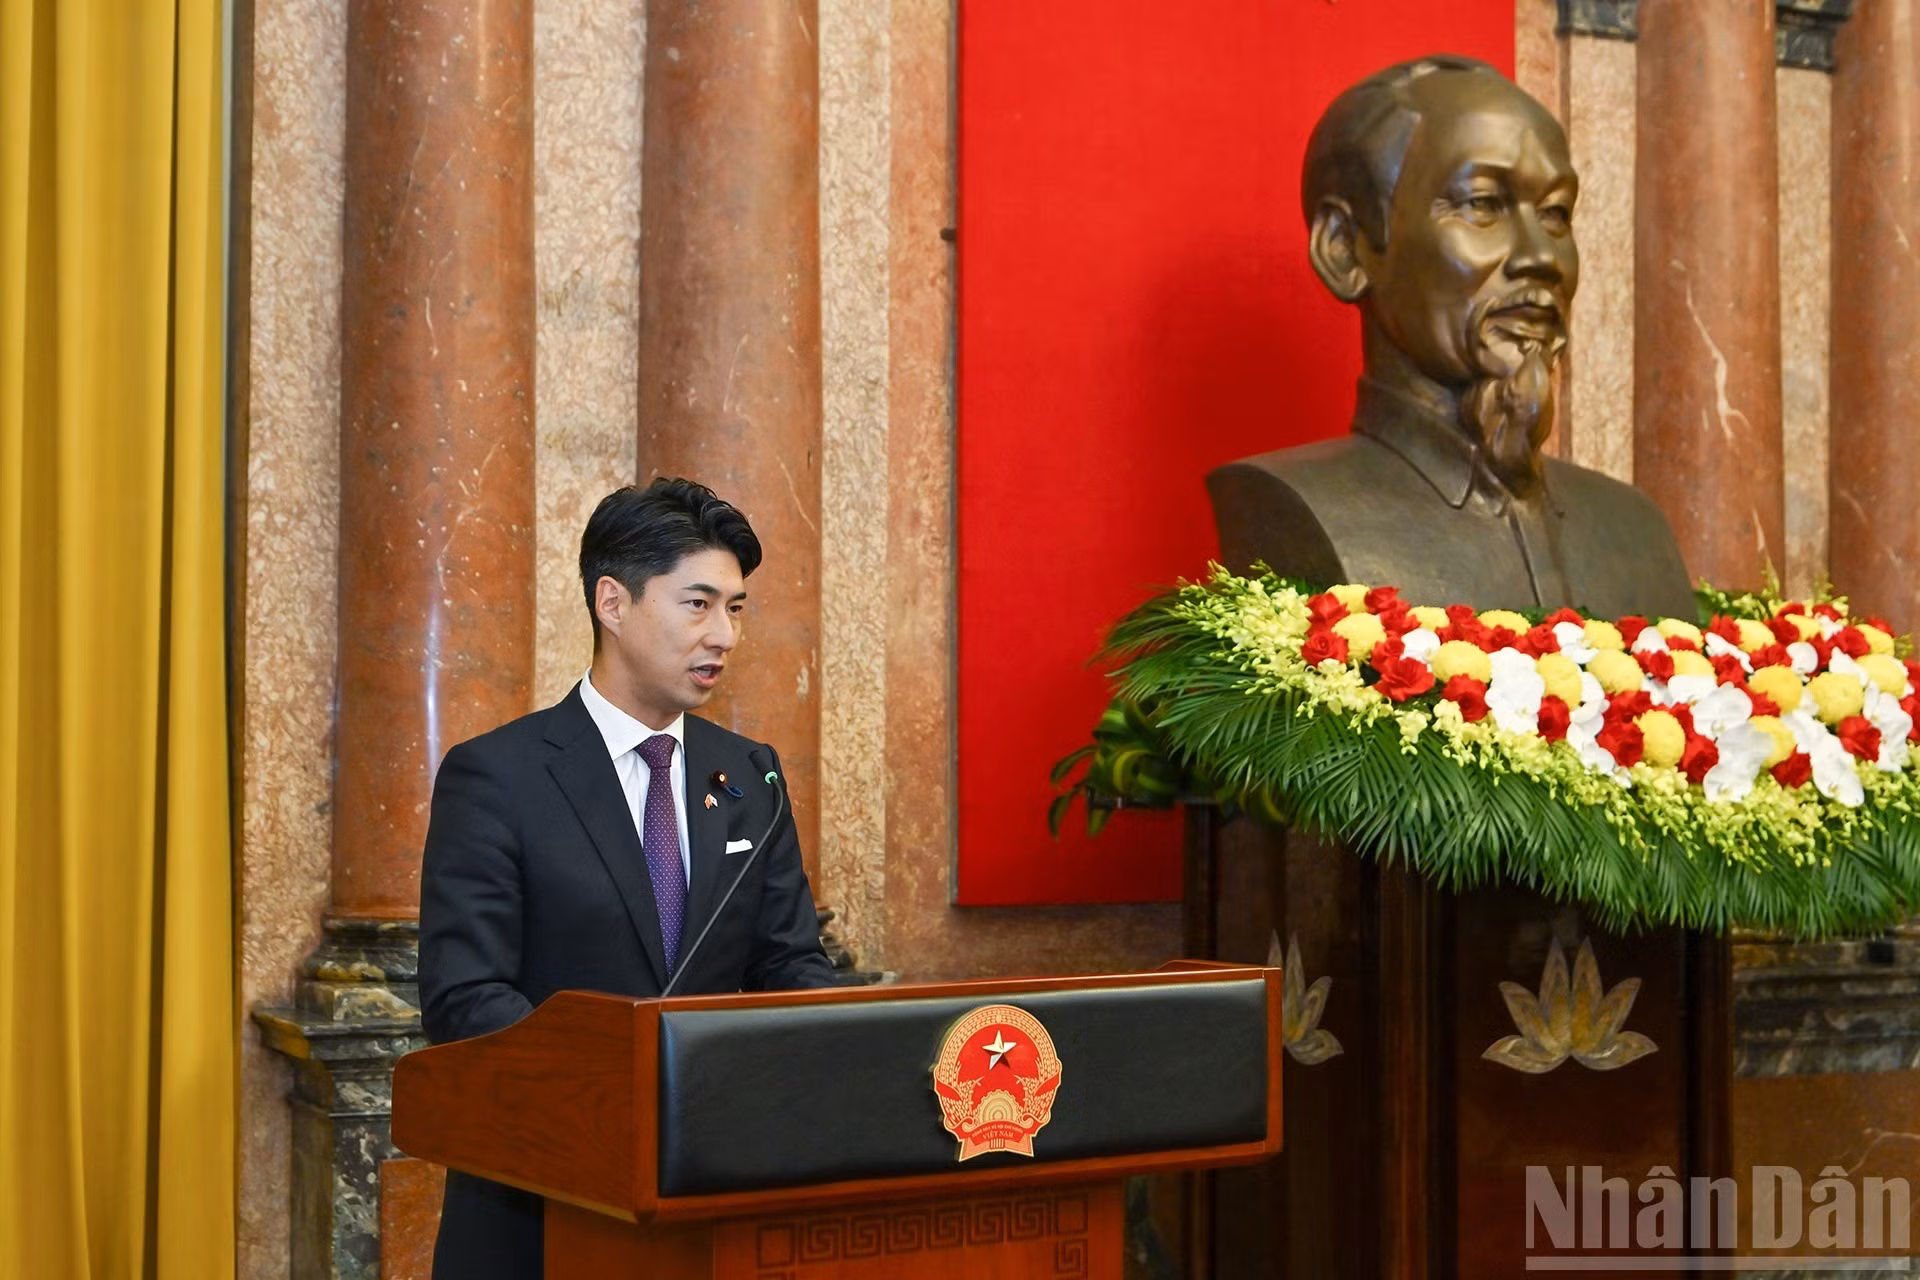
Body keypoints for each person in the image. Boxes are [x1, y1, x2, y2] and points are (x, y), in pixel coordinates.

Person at [419, 477, 836, 1280]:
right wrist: (636, 1095)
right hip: (539, 1207)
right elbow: (466, 998)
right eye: (698, 604)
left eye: (736, 609)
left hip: (713, 1207)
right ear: (613, 603)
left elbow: (791, 965)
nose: (725, 635)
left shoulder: (750, 776)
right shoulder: (496, 776)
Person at [1207, 55, 1695, 620]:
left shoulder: (1635, 529)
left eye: (1556, 213)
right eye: (1482, 204)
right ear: (1344, 249)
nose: (1542, 258)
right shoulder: (1289, 505)